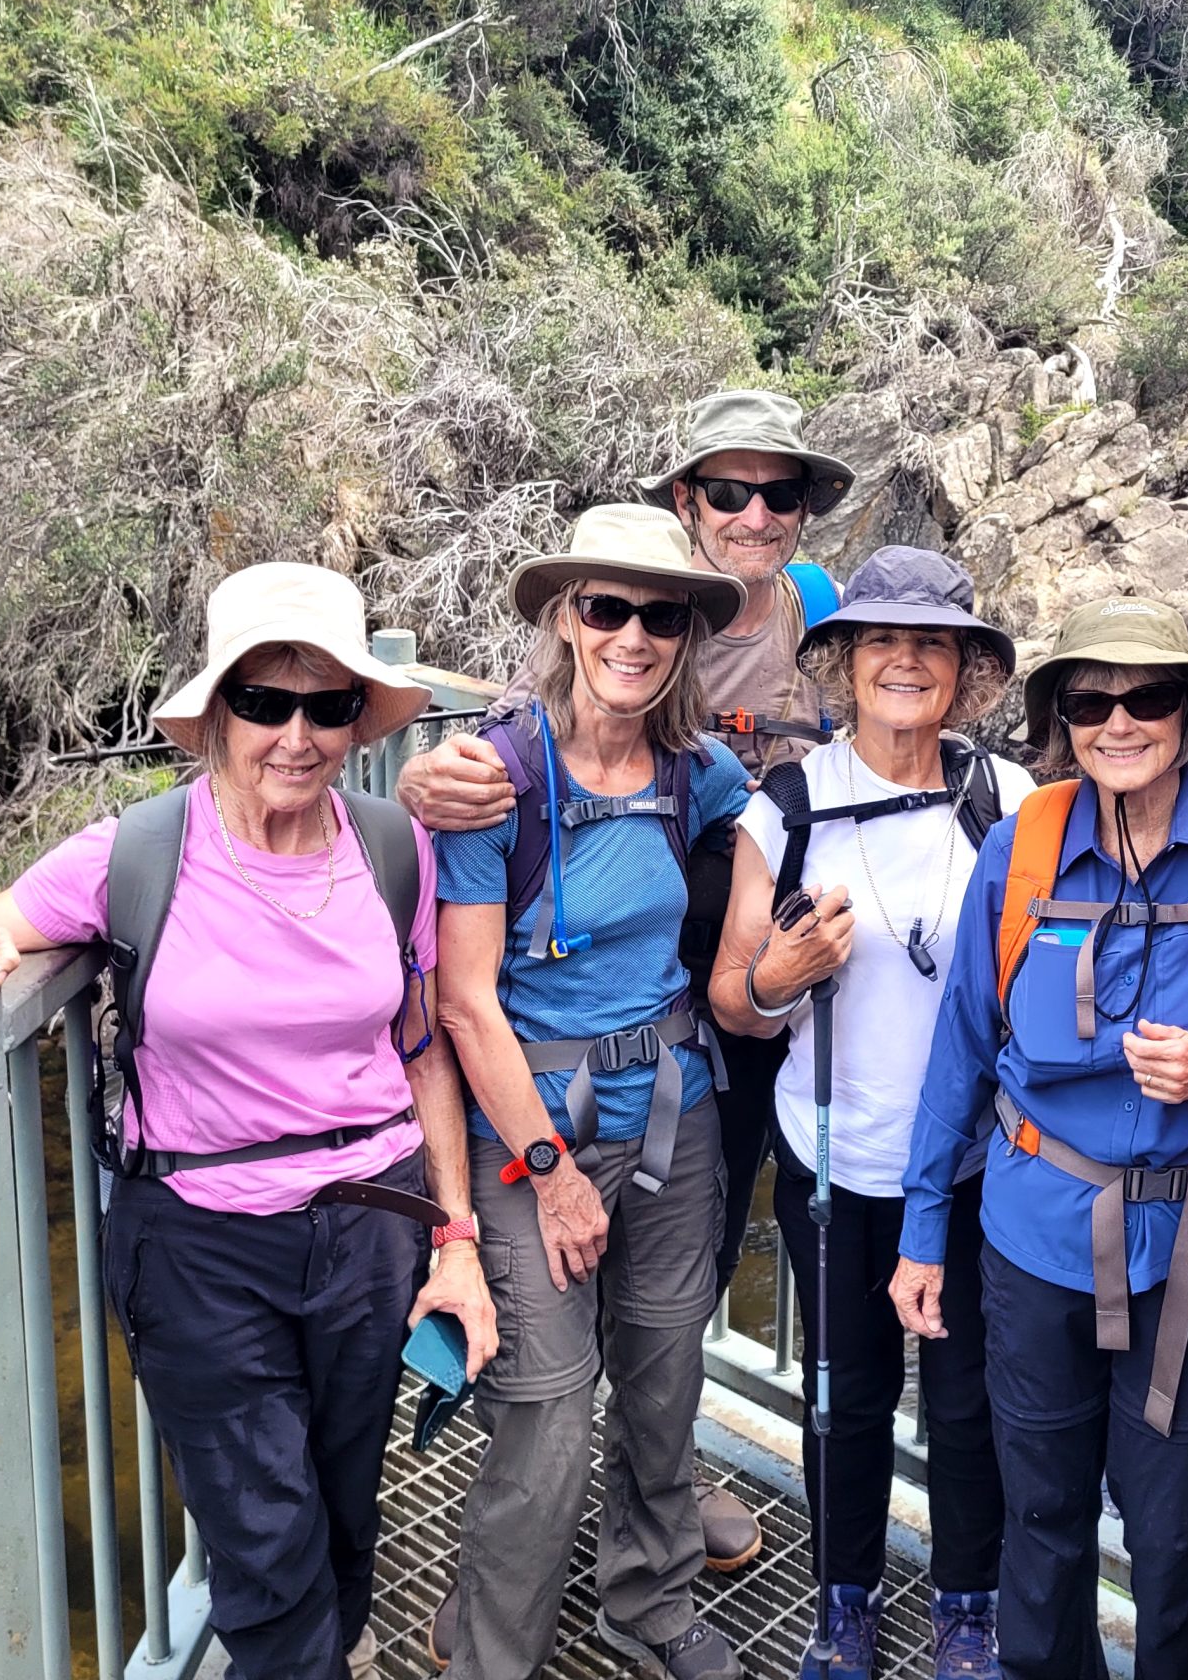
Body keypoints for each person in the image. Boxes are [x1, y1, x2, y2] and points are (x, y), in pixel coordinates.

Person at [0, 562, 496, 1680]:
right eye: (265, 702)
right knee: (265, 1535)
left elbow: (421, 1045)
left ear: (357, 721)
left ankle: (338, 1641)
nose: (296, 735)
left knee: (345, 1495)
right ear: (216, 713)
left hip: (370, 1230)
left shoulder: (394, 848)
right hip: (200, 1243)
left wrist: (456, 1237)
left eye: (330, 706)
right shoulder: (133, 855)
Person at [400, 386, 856, 1582]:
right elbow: (464, 985)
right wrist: (417, 795)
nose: (756, 513)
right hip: (568, 1056)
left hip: (723, 1019)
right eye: (730, 490)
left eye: (781, 492)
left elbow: (849, 781)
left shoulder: (822, 626)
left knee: (672, 1325)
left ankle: (650, 1541)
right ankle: (515, 1593)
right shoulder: (524, 746)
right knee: (549, 1381)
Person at [893, 597, 1188, 1680]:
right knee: (1039, 1513)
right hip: (1034, 1237)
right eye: (1091, 700)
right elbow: (962, 1052)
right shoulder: (1021, 850)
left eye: (1149, 697)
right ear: (1061, 717)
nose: (1119, 721)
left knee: (1176, 1532)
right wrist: (920, 1231)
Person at [433, 504, 755, 1680]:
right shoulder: (493, 780)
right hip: (532, 1136)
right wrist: (551, 1177)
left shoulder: (695, 773)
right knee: (547, 1410)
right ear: (565, 619)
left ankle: (649, 1600)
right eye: (604, 608)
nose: (631, 635)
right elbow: (467, 1003)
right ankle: (492, 1651)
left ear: (684, 634)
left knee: (666, 1379)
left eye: (658, 615)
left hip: (675, 1114)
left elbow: (791, 810)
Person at [708, 547, 1032, 1680]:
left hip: (977, 1172)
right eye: (882, 641)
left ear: (965, 672)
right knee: (844, 1398)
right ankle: (841, 1602)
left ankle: (965, 1606)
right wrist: (784, 973)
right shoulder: (786, 807)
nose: (905, 662)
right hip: (833, 1158)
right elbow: (733, 1003)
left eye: (931, 643)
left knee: (967, 1406)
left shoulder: (1009, 803)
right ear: (844, 665)